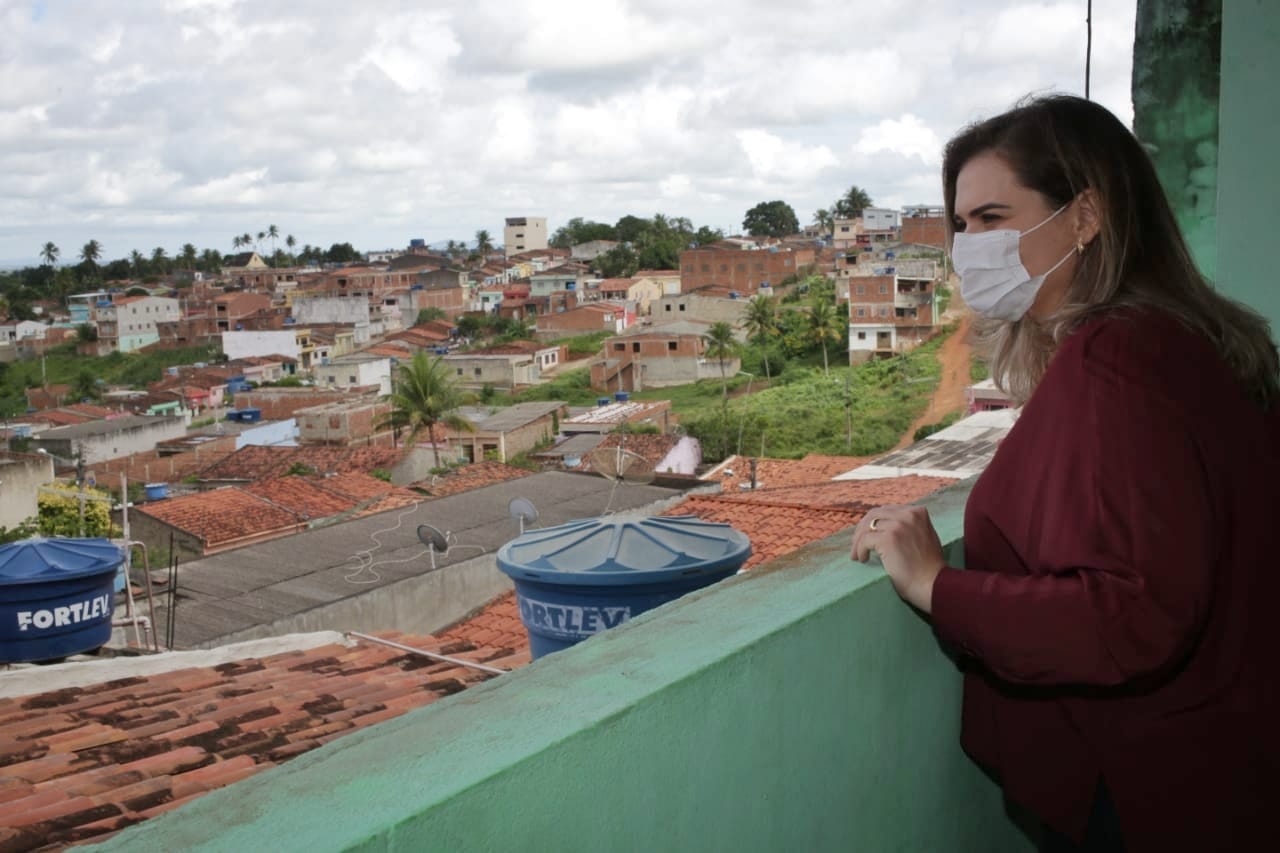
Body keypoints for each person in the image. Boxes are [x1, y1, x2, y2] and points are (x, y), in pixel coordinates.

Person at [850, 94, 1279, 853]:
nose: (969, 246)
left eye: (993, 217)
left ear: (1084, 216)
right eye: (960, 224)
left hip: (1152, 784)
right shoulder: (1183, 340)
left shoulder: (1117, 359)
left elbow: (1133, 612)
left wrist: (933, 585)